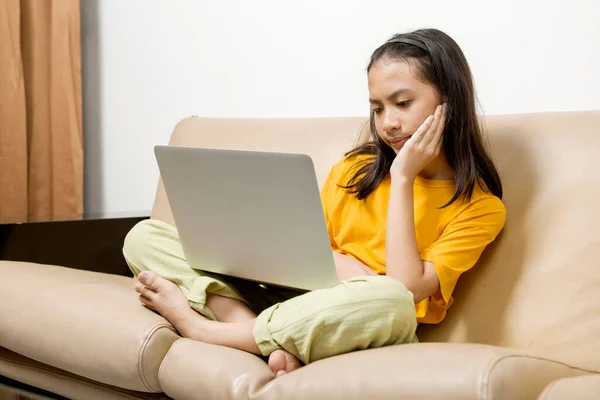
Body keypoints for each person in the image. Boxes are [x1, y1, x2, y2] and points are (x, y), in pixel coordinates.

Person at [122, 28, 506, 378]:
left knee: (388, 300)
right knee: (144, 236)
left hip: (361, 318)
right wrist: (357, 271)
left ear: (449, 103)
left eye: (402, 103)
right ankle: (253, 330)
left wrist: (403, 178)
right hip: (297, 298)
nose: (387, 122)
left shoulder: (480, 208)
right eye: (377, 108)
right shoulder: (356, 168)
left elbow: (404, 287)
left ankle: (205, 329)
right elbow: (304, 253)